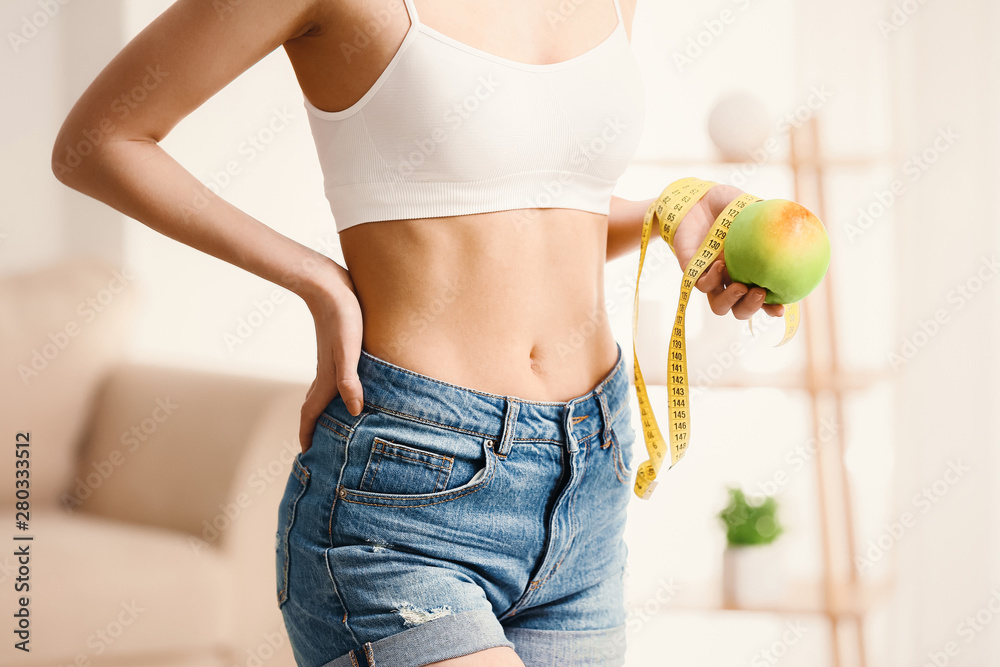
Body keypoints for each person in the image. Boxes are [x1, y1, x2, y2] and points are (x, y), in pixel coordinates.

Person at [53, 0, 783, 664]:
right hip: (408, 490)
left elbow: (545, 207)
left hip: (588, 474)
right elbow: (98, 140)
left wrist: (669, 210)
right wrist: (315, 277)